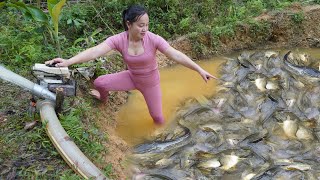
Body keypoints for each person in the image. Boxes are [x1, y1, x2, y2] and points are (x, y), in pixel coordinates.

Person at [45, 4, 218, 125]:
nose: (145, 29)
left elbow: (175, 54)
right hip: (131, 78)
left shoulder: (153, 39)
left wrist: (199, 69)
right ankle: (103, 100)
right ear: (129, 24)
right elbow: (95, 51)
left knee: (158, 118)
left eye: (147, 25)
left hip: (151, 83)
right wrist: (68, 62)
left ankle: (161, 138)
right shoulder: (119, 40)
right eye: (141, 25)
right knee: (99, 83)